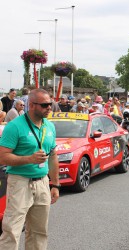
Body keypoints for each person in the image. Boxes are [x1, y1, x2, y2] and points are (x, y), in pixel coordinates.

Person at [0, 88, 60, 249]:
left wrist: (55, 184)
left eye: (51, 104)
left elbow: (53, 155)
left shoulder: (50, 126)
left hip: (42, 183)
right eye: (45, 105)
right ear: (32, 105)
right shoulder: (15, 127)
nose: (49, 108)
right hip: (20, 182)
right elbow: (2, 157)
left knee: (39, 232)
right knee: (12, 230)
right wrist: (29, 159)